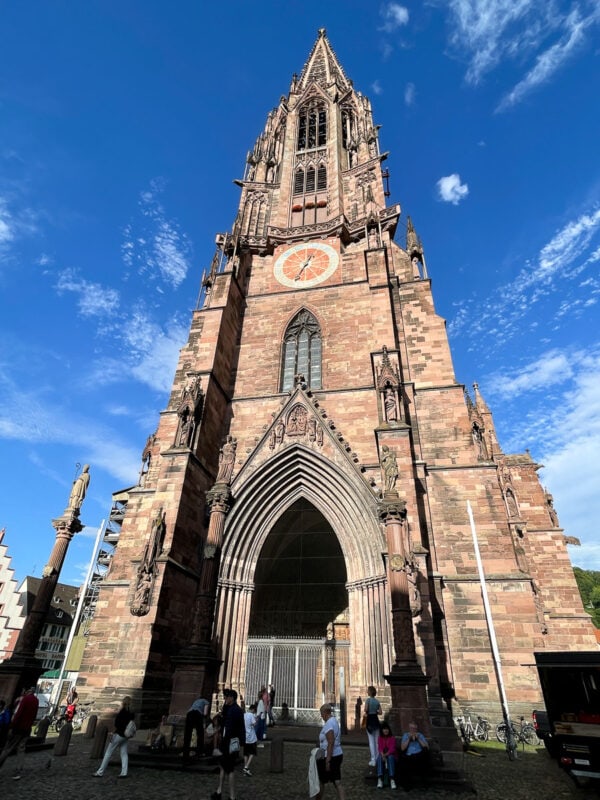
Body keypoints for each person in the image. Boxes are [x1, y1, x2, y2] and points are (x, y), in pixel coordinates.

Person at [212, 689, 245, 800]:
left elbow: (238, 728)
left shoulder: (236, 710)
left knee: (230, 768)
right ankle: (219, 791)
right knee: (222, 765)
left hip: (232, 741)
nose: (225, 698)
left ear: (232, 698)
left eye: (226, 697)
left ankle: (232, 796)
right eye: (224, 696)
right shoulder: (228, 709)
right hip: (228, 741)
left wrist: (240, 742)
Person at [0, 686, 39, 780]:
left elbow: (18, 714)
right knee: (21, 749)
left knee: (7, 748)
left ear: (27, 690)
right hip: (27, 728)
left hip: (18, 728)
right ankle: (18, 771)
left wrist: (12, 726)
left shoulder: (25, 699)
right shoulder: (36, 700)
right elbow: (34, 715)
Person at [93, 696, 135, 778]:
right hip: (126, 736)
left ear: (123, 703)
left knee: (108, 753)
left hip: (119, 734)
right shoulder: (131, 713)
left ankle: (100, 772)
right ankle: (124, 772)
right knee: (124, 753)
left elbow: (117, 723)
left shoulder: (123, 712)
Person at [316, 704, 345, 800]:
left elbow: (331, 742)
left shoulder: (329, 724)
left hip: (329, 756)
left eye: (321, 713)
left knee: (321, 781)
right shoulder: (334, 721)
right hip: (337, 754)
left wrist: (328, 760)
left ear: (325, 712)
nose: (321, 716)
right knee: (337, 781)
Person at [399, 721, 429, 788]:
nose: (413, 730)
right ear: (409, 728)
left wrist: (418, 739)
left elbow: (426, 747)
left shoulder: (420, 735)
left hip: (419, 755)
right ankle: (407, 784)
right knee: (405, 761)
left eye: (414, 728)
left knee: (424, 756)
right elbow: (402, 748)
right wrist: (409, 739)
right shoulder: (406, 735)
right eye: (411, 728)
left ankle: (424, 783)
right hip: (409, 755)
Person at [182, 696, 210, 764]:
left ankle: (185, 754)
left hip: (189, 714)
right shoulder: (206, 701)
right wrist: (204, 719)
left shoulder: (196, 701)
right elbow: (205, 713)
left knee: (187, 735)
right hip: (197, 714)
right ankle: (199, 752)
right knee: (200, 734)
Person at [364, 685, 382, 767]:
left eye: (368, 690)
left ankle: (373, 759)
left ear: (370, 692)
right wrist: (375, 711)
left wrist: (367, 711)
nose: (367, 692)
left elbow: (366, 710)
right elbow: (380, 712)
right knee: (377, 741)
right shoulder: (377, 701)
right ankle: (378, 758)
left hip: (370, 719)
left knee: (371, 741)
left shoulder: (368, 700)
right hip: (375, 719)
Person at [376, 722, 397, 789]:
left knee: (390, 757)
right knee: (379, 757)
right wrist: (382, 755)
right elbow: (380, 748)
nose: (385, 730)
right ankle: (380, 779)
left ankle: (392, 779)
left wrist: (385, 755)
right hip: (383, 755)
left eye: (387, 729)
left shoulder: (392, 738)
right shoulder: (380, 738)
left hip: (391, 755)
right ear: (382, 730)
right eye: (384, 729)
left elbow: (392, 749)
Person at [243, 702, 258, 776]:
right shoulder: (251, 715)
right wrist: (257, 718)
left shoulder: (244, 715)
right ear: (253, 710)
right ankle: (246, 767)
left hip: (245, 737)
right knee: (252, 753)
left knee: (246, 753)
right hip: (251, 737)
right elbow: (254, 724)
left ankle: (246, 769)